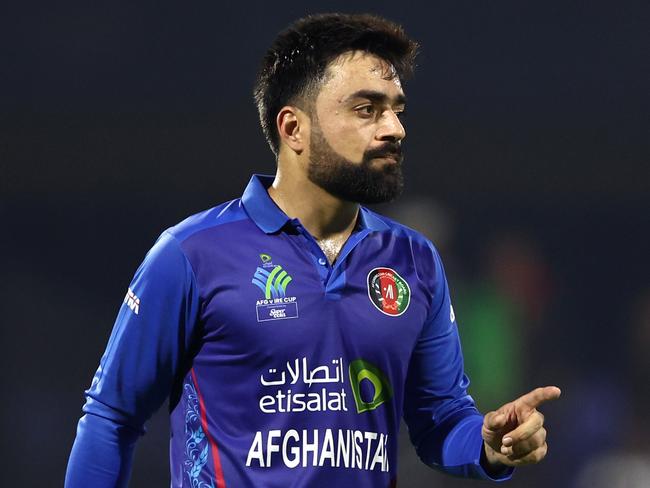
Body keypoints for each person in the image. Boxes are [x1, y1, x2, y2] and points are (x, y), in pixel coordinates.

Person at [65, 13, 560, 487]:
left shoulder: (415, 261)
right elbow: (112, 417)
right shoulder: (190, 255)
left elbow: (442, 420)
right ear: (293, 128)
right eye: (367, 109)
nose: (394, 128)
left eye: (396, 109)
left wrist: (489, 446)